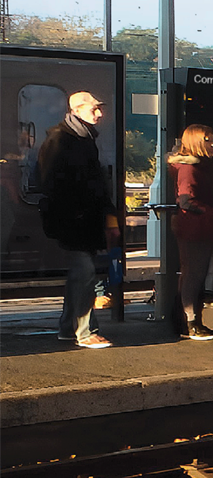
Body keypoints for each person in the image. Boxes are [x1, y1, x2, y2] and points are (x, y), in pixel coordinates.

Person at [38, 91, 116, 349]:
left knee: (79, 275)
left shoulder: (81, 138)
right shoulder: (63, 139)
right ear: (77, 110)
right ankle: (85, 331)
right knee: (84, 273)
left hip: (82, 220)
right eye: (94, 109)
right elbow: (52, 182)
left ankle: (67, 327)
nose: (99, 113)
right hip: (72, 221)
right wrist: (77, 211)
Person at [168, 124, 213, 341]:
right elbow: (187, 200)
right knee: (194, 274)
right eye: (208, 140)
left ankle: (186, 321)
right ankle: (191, 323)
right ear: (196, 142)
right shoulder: (191, 168)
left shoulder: (202, 166)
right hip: (196, 228)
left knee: (193, 273)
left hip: (199, 226)